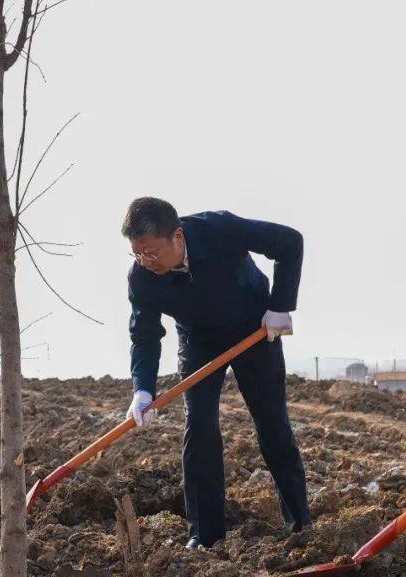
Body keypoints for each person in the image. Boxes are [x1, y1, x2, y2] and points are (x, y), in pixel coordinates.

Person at [123, 197, 311, 549]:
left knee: (272, 423)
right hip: (199, 340)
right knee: (200, 426)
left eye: (151, 252)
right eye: (137, 254)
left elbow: (290, 242)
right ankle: (205, 536)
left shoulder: (219, 229)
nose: (145, 262)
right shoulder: (142, 279)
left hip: (254, 327)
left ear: (177, 236)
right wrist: (143, 389)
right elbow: (144, 335)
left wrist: (280, 306)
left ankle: (300, 523)